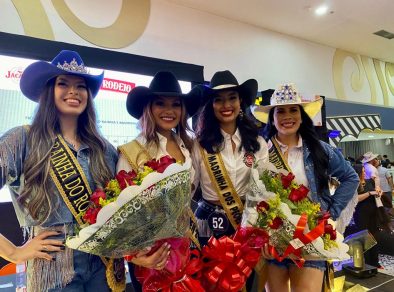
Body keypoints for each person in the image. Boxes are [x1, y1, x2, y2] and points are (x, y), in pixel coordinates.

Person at [0, 50, 125, 291]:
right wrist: (14, 252)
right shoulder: (22, 140)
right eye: (63, 83)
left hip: (102, 263)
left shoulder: (104, 148)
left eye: (81, 86)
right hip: (53, 267)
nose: (73, 91)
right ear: (49, 91)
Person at [253, 83, 359, 292]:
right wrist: (259, 236)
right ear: (272, 118)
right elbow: (253, 197)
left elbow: (350, 177)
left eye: (294, 110)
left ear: (302, 116)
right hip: (274, 242)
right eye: (280, 111)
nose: (287, 116)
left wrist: (331, 213)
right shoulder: (260, 151)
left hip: (310, 239)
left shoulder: (320, 149)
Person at [116, 71, 200, 291]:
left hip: (185, 245)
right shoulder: (133, 151)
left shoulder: (188, 146)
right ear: (149, 108)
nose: (169, 111)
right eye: (160, 103)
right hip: (151, 254)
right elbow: (121, 212)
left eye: (176, 104)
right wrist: (135, 255)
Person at [344, 164, 394, 268]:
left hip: (374, 214)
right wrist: (369, 193)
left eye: (364, 171)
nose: (364, 172)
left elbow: (377, 191)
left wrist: (379, 192)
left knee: (375, 238)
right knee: (365, 239)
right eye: (362, 171)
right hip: (361, 215)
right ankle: (367, 262)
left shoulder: (369, 181)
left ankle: (375, 262)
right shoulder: (354, 184)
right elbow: (355, 199)